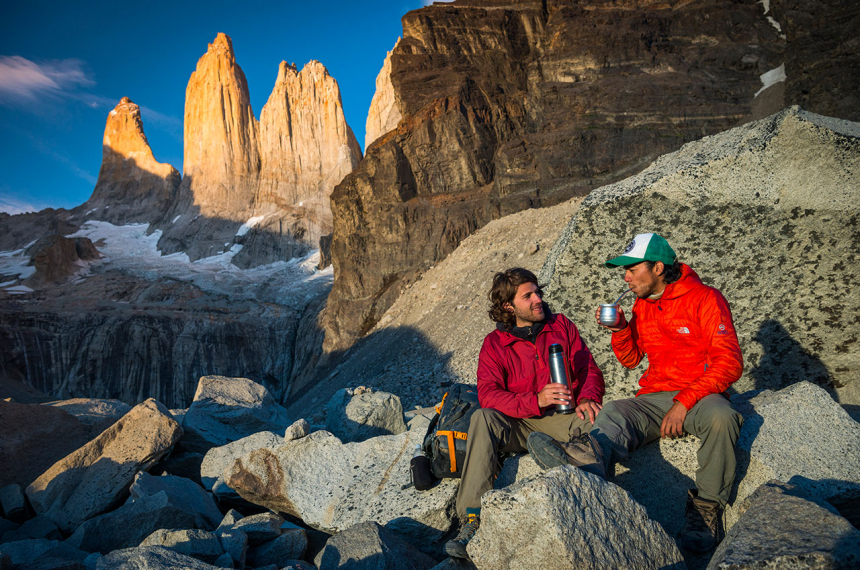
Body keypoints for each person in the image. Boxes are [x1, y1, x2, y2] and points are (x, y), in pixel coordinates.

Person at [528, 233, 744, 553]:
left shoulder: (705, 298)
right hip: (655, 397)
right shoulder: (642, 305)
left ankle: (706, 510)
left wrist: (684, 402)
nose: (625, 277)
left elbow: (730, 363)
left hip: (701, 394)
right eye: (624, 271)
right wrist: (620, 330)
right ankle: (586, 461)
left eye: (632, 269)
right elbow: (630, 360)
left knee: (723, 419)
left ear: (658, 267)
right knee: (614, 410)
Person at [445, 267, 605, 559]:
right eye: (528, 295)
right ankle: (471, 518)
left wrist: (588, 398)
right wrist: (536, 400)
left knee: (602, 420)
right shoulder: (494, 345)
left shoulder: (561, 326)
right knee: (483, 418)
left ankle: (595, 487)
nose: (538, 299)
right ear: (509, 306)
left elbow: (588, 367)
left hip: (565, 416)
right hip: (520, 422)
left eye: (538, 292)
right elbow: (489, 395)